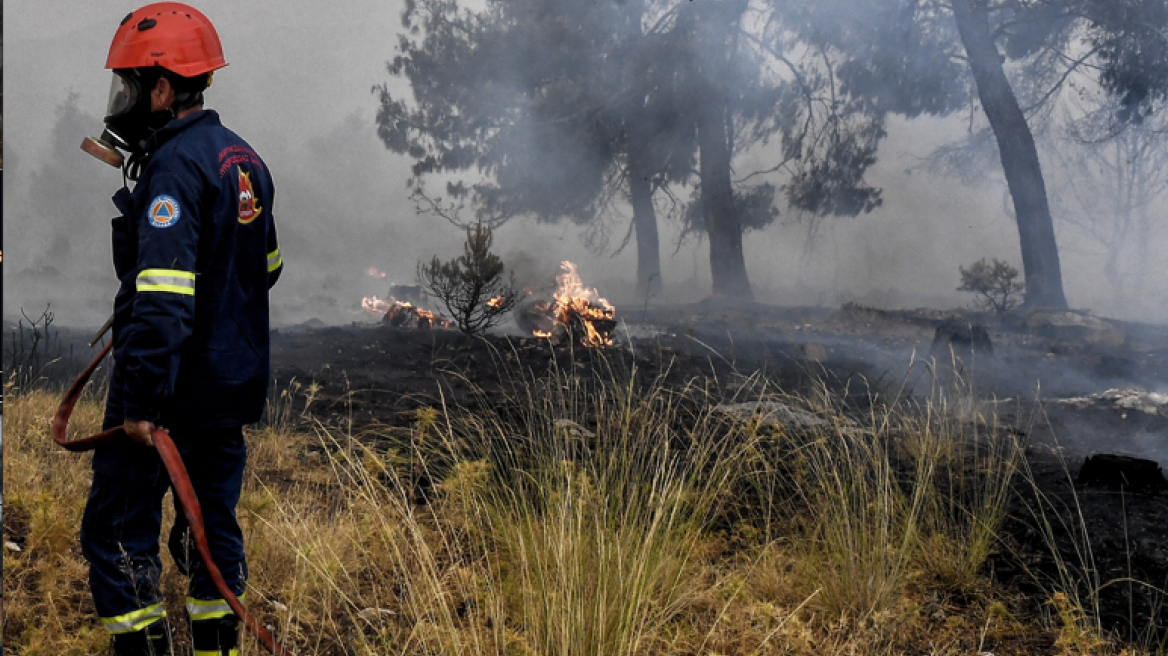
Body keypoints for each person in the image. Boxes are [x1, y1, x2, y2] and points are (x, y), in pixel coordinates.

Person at [80, 4, 283, 655]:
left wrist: (139, 404)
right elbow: (266, 268)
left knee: (118, 531)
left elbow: (165, 301)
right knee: (209, 533)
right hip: (230, 388)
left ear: (163, 88)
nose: (123, 102)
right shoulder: (245, 160)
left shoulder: (173, 170)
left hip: (169, 394)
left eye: (130, 86)